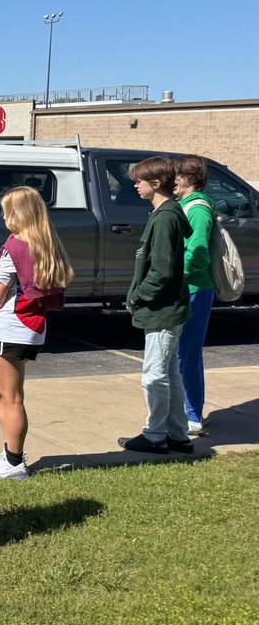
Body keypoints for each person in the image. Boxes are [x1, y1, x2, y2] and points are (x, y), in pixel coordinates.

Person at [0, 186, 73, 479]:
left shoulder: (16, 245)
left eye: (7, 211)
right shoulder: (43, 242)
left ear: (18, 214)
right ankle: (9, 451)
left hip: (11, 327)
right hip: (29, 326)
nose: (4, 216)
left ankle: (15, 462)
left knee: (12, 396)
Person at [118, 156, 193, 455]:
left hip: (163, 309)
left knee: (154, 375)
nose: (135, 185)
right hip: (169, 306)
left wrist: (138, 296)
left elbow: (160, 271)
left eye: (139, 180)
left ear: (156, 183)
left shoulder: (164, 218)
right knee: (170, 372)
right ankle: (178, 434)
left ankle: (155, 435)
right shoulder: (167, 214)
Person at [172, 154, 215, 436]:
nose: (174, 179)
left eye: (179, 174)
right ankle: (188, 410)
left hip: (194, 289)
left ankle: (191, 414)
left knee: (186, 353)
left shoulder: (197, 209)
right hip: (188, 288)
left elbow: (197, 255)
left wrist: (171, 277)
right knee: (183, 353)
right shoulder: (184, 205)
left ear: (192, 178)